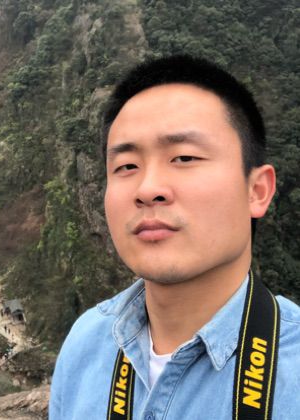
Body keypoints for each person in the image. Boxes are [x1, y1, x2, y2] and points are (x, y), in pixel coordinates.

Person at [49, 55, 300, 419]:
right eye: (127, 166)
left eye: (184, 158)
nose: (148, 188)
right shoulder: (86, 345)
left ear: (257, 190)